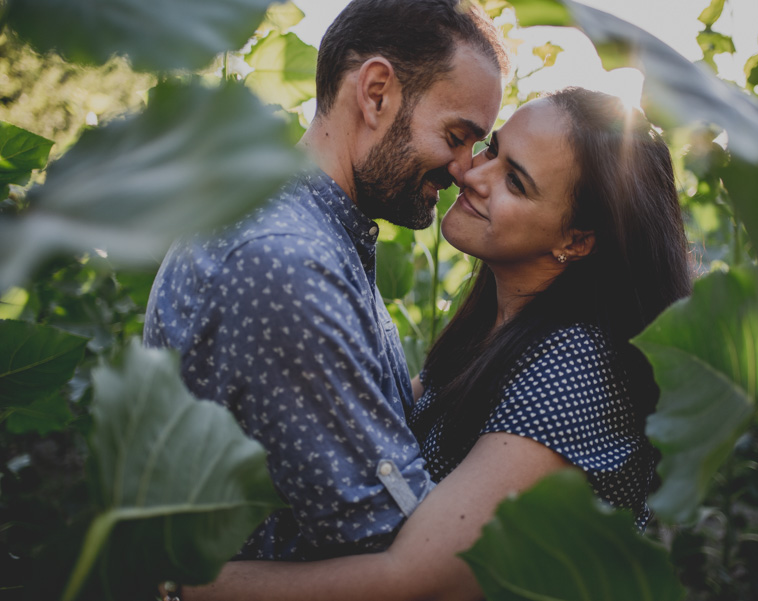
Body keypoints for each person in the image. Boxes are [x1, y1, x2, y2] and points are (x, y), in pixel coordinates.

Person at [181, 88, 693, 600]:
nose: (472, 175)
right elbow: (373, 432)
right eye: (492, 150)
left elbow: (419, 584)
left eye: (515, 182)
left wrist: (182, 585)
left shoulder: (576, 368)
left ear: (576, 240)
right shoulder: (491, 333)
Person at [144, 0, 506, 562]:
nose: (464, 169)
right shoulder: (288, 263)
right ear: (377, 93)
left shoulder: (306, 227)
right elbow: (395, 540)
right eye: (457, 136)